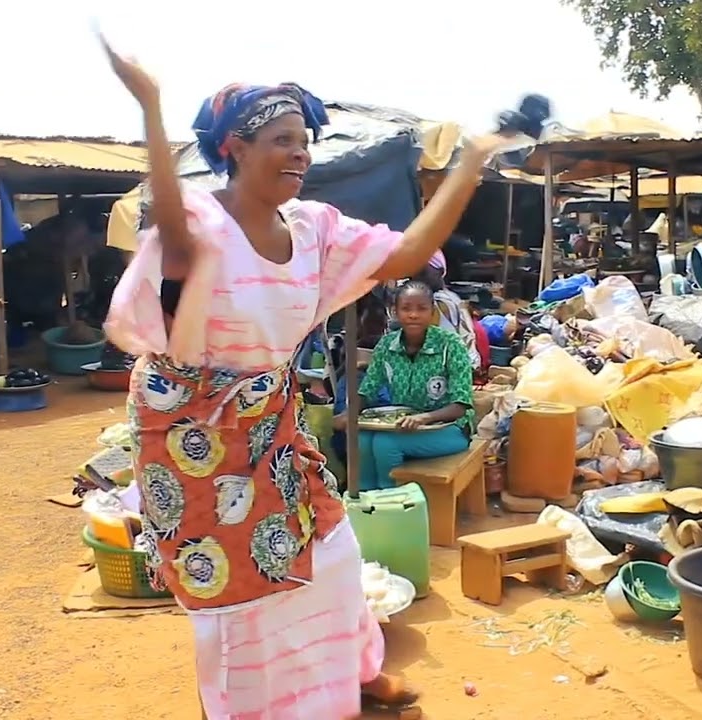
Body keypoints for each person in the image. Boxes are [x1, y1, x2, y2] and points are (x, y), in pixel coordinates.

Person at [97, 33, 510, 720]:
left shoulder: (315, 229)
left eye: (304, 141)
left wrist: (471, 161)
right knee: (233, 590)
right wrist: (151, 106)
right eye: (282, 140)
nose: (300, 154)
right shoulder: (200, 219)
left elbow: (408, 250)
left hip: (268, 420)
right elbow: (172, 232)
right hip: (191, 434)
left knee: (332, 549)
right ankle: (238, 706)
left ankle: (356, 671)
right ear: (235, 148)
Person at [355, 281, 475, 491]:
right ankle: (365, 498)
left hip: (451, 429)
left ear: (432, 312)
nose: (413, 315)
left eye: (421, 309)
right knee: (362, 438)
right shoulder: (386, 345)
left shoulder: (450, 345)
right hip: (404, 426)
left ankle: (392, 499)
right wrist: (348, 414)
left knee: (385, 444)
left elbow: (460, 405)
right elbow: (368, 389)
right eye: (406, 308)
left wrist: (424, 418)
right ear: (395, 312)